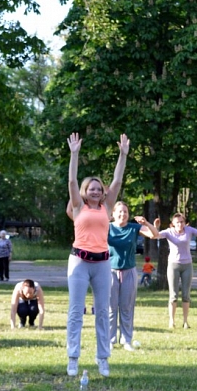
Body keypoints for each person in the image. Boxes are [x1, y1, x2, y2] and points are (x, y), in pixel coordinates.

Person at [66, 132, 128, 377]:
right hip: (79, 262)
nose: (95, 191)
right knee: (76, 311)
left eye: (98, 189)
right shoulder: (79, 206)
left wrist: (123, 155)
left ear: (102, 192)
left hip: (102, 263)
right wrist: (74, 154)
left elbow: (117, 180)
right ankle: (73, 358)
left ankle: (103, 358)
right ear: (84, 191)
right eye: (90, 188)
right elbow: (71, 182)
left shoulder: (108, 206)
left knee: (103, 312)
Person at [107, 201, 159, 351]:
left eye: (126, 212)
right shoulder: (107, 227)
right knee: (111, 308)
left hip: (129, 272)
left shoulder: (133, 228)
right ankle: (110, 340)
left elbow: (155, 235)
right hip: (110, 271)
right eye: (120, 211)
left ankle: (126, 340)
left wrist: (147, 223)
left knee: (127, 308)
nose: (123, 214)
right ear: (113, 214)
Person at [156, 213, 197, 329]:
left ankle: (185, 321)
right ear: (173, 224)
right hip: (173, 265)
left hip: (187, 265)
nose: (180, 224)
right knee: (173, 295)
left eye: (182, 222)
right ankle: (171, 321)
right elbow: (155, 236)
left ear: (185, 222)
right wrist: (156, 227)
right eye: (177, 222)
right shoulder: (169, 232)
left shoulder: (189, 230)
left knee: (186, 295)